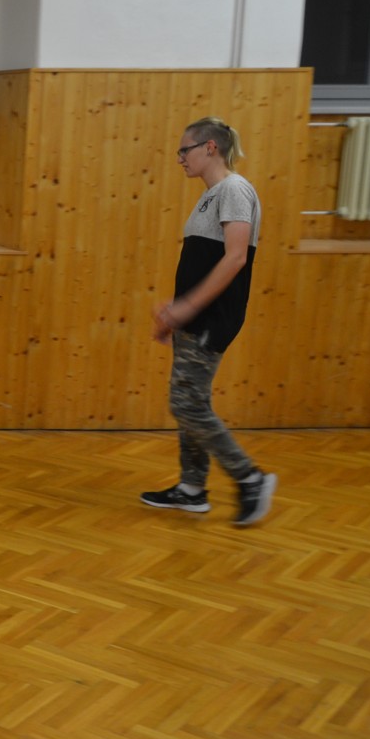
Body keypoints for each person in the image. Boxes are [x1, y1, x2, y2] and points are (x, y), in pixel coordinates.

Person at [143, 116, 277, 526]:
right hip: (195, 315)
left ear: (210, 148)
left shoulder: (234, 189)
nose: (179, 158)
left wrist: (187, 308)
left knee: (185, 404)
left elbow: (235, 258)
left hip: (212, 317)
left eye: (184, 150)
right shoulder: (212, 195)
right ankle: (191, 489)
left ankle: (250, 478)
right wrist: (176, 312)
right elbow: (202, 263)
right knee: (192, 401)